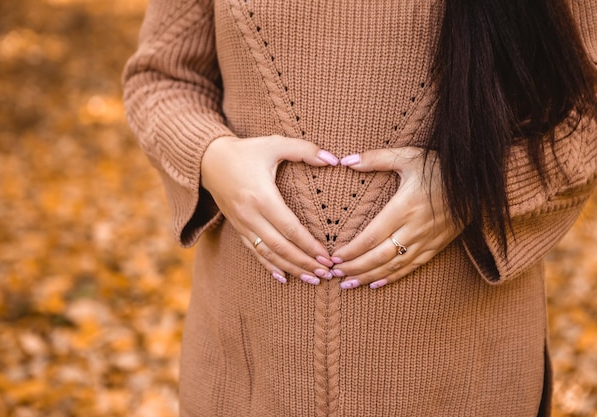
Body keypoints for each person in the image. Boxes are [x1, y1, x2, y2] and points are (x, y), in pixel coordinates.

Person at [123, 0, 597, 415]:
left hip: (465, 376)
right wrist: (212, 155)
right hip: (243, 371)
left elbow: (585, 112)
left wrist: (472, 186)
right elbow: (161, 78)